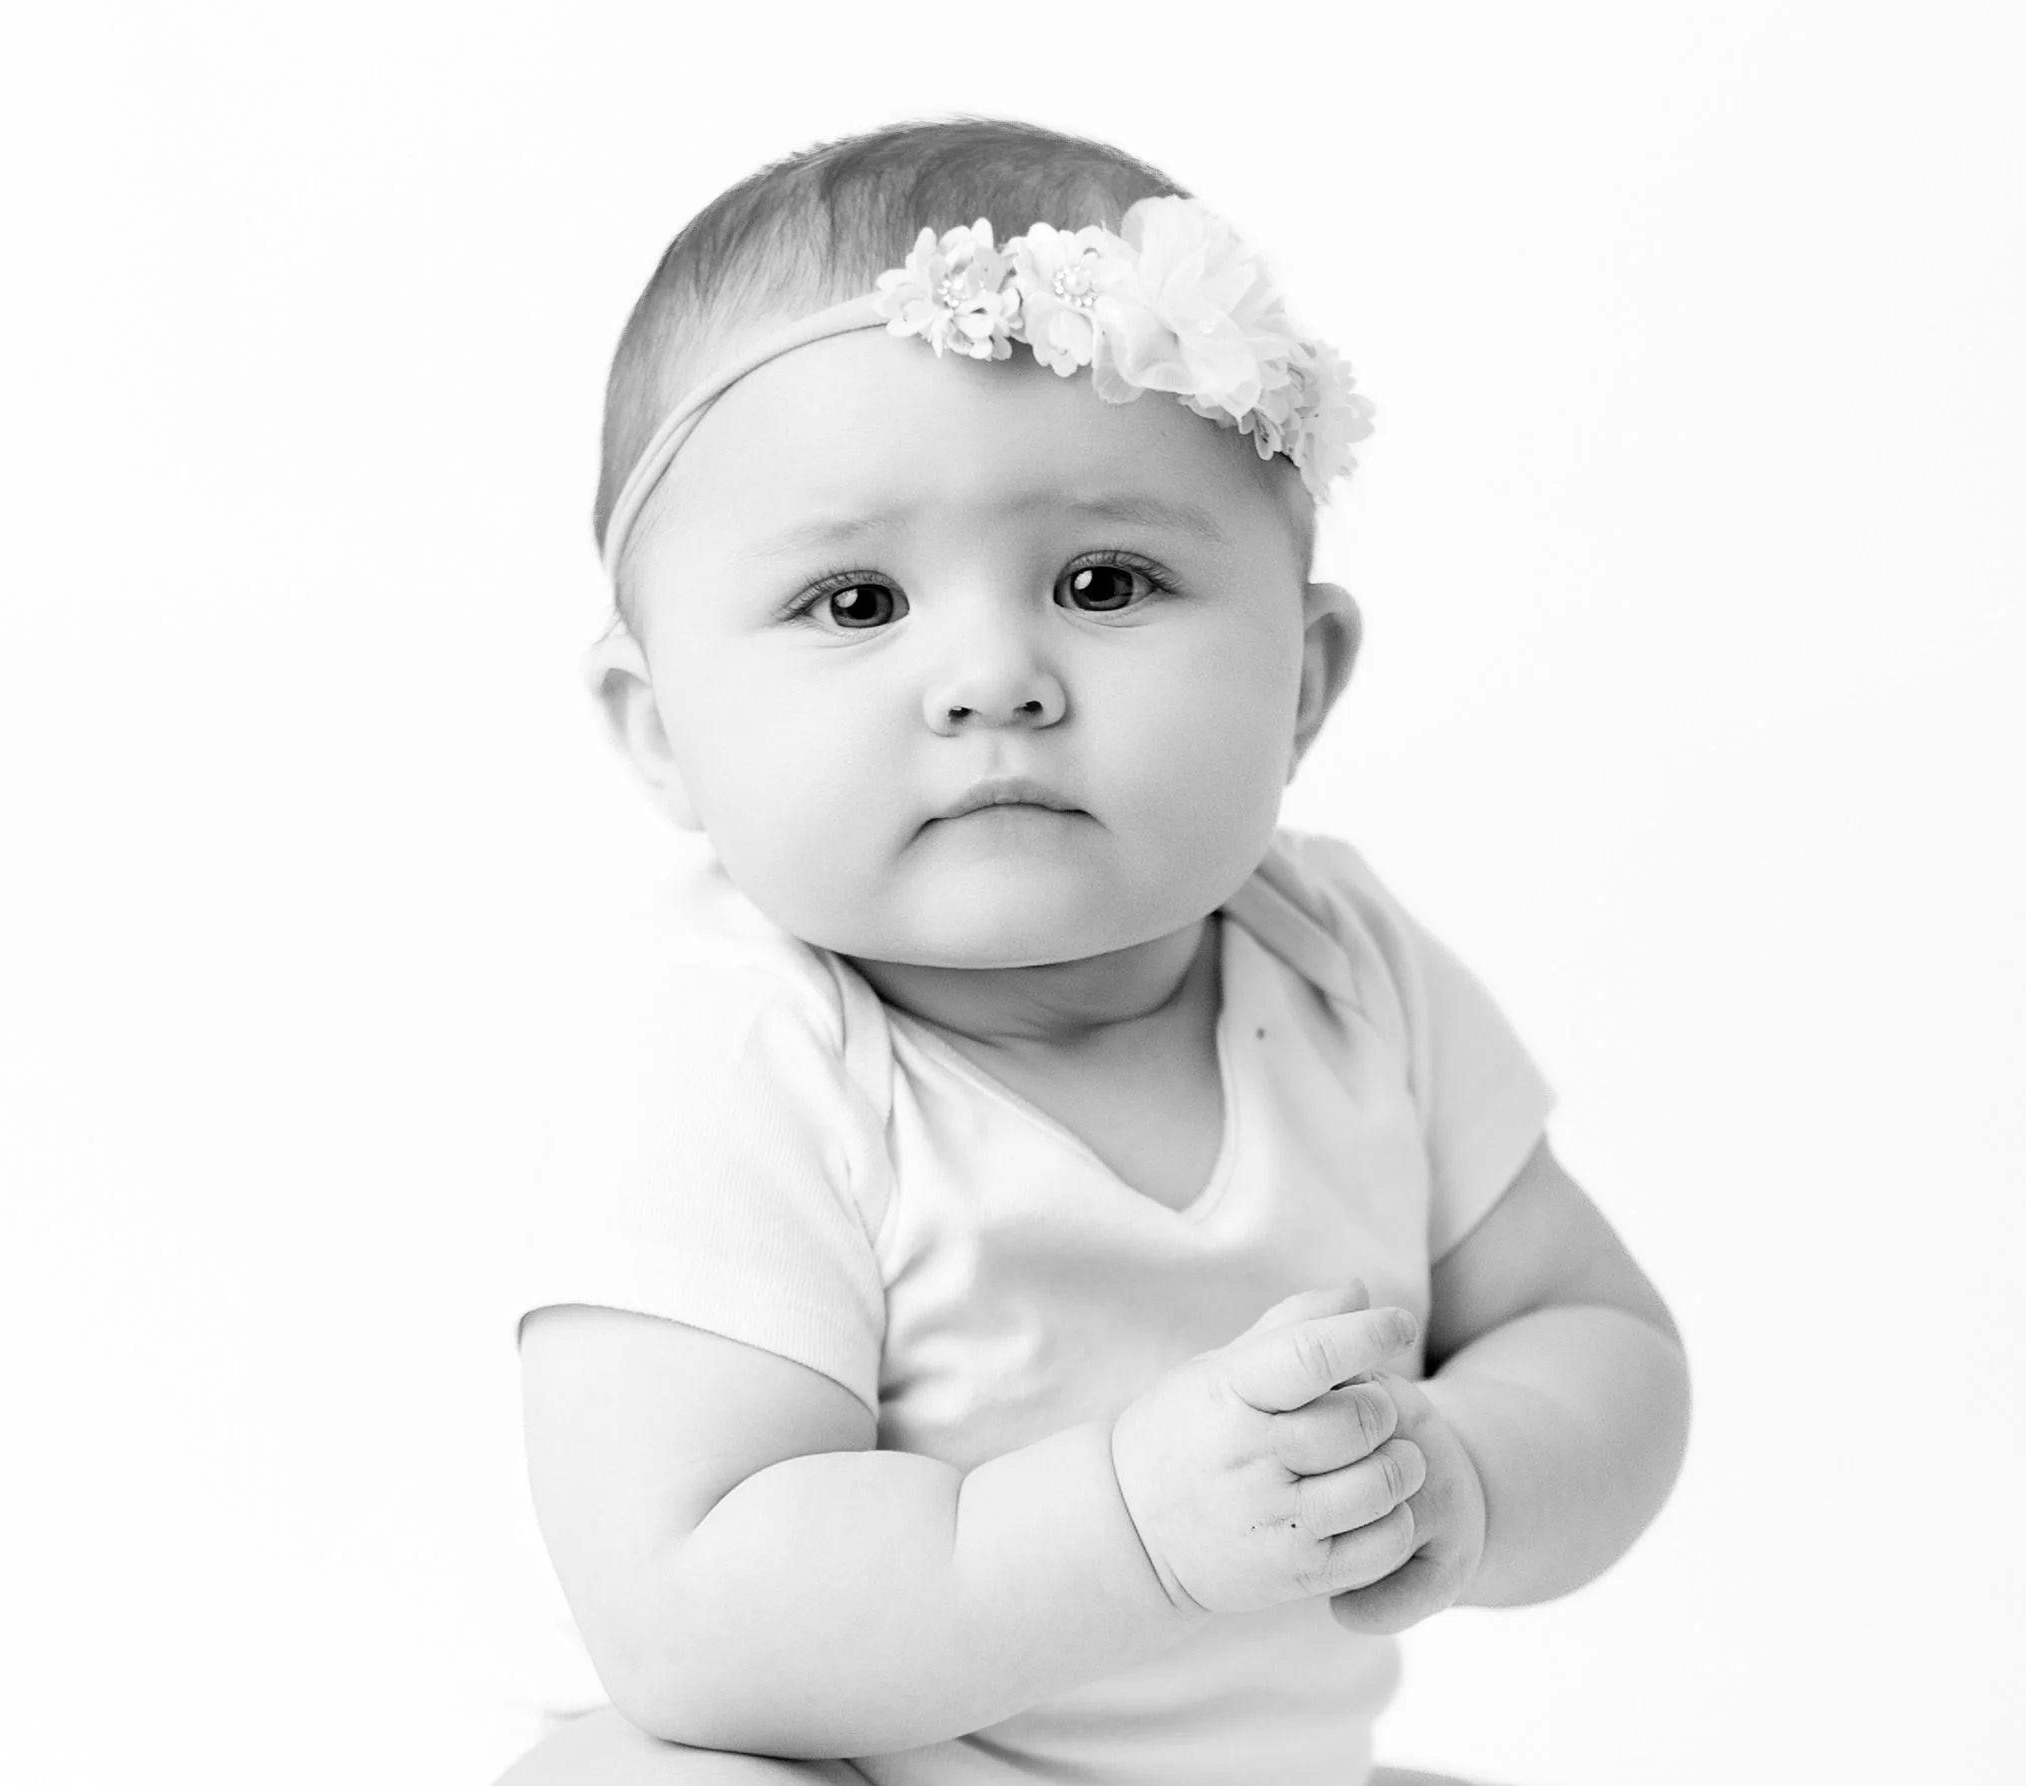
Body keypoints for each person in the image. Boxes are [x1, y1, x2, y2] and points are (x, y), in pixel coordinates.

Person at [499, 116, 1691, 1786]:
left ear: (1301, 680)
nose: (993, 674)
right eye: (855, 603)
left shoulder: (1345, 971)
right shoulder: (742, 1041)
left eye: (1104, 578)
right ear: (660, 729)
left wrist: (1468, 1468)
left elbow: (1602, 1340)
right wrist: (1137, 1524)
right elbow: (691, 1612)